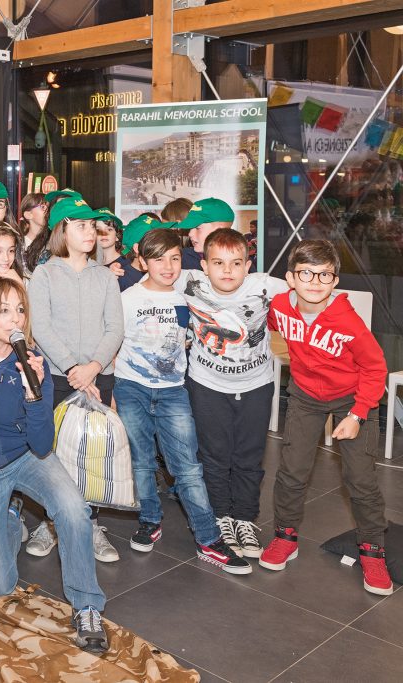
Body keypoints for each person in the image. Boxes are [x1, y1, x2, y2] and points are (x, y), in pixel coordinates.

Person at [0, 277, 109, 654]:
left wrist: (34, 394)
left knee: (74, 509)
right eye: (4, 310)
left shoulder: (33, 364)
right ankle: (12, 518)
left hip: (26, 458)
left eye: (20, 309)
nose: (15, 318)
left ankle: (87, 606)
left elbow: (41, 443)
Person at [113, 229, 251, 574]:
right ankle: (149, 519)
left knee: (187, 467)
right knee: (141, 462)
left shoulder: (187, 297)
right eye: (158, 259)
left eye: (175, 258)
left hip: (174, 390)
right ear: (142, 260)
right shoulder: (127, 299)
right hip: (131, 388)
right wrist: (112, 393)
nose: (168, 266)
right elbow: (113, 344)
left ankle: (208, 538)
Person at [260, 240, 391, 595]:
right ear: (291, 278)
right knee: (292, 471)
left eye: (324, 275)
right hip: (305, 396)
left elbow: (375, 368)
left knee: (360, 479)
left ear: (335, 281)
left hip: (353, 400)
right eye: (306, 273)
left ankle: (373, 550)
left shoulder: (348, 322)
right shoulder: (280, 307)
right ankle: (285, 536)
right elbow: (270, 322)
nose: (315, 282)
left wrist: (358, 414)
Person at [179, 229, 288, 558]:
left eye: (236, 263)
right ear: (204, 265)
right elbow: (151, 275)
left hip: (256, 385)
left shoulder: (264, 285)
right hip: (207, 385)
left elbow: (308, 288)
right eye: (218, 263)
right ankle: (221, 516)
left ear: (248, 265)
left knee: (249, 456)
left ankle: (244, 518)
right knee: (214, 456)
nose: (227, 270)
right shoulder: (189, 282)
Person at [28, 196, 123, 562]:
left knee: (93, 453)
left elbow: (115, 328)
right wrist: (72, 368)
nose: (90, 232)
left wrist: (93, 367)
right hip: (58, 376)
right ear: (62, 230)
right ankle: (51, 522)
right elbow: (41, 328)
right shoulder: (45, 274)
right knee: (56, 453)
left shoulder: (105, 276)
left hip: (99, 376)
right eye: (80, 225)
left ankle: (90, 523)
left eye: (92, 225)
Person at [176, 197, 235, 272]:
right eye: (190, 228)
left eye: (197, 228)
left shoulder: (239, 259)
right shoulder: (181, 258)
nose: (190, 234)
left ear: (219, 231)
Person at [19, 192, 48, 271]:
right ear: (28, 215)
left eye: (49, 207)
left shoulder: (52, 242)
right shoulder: (19, 244)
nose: (48, 210)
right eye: (43, 207)